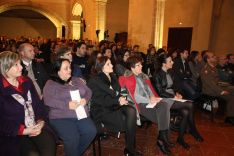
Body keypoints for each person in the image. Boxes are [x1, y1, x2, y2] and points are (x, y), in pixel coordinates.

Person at [0, 51, 56, 156]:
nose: (21, 67)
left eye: (20, 64)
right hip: (13, 134)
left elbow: (38, 105)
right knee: (32, 154)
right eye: (16, 65)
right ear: (5, 68)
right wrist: (23, 131)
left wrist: (40, 122)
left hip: (34, 125)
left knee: (49, 144)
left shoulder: (26, 81)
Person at [119, 56, 175, 154]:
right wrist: (149, 99)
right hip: (140, 105)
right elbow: (134, 96)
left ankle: (162, 138)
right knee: (164, 114)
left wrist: (153, 97)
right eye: (138, 65)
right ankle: (162, 138)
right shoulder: (128, 78)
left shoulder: (142, 76)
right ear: (132, 68)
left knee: (164, 106)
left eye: (141, 64)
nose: (141, 66)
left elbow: (150, 90)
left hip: (150, 102)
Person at [88, 56, 142, 156]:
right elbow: (100, 100)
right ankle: (130, 150)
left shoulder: (112, 76)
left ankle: (130, 148)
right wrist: (118, 100)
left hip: (114, 106)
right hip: (102, 111)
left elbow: (121, 90)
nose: (112, 65)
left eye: (111, 63)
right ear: (101, 67)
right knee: (129, 117)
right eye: (108, 64)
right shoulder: (95, 80)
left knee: (131, 110)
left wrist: (123, 97)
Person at [43, 58, 97, 156]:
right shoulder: (50, 83)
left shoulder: (76, 80)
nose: (70, 70)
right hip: (61, 117)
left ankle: (73, 153)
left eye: (70, 67)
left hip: (80, 114)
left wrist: (85, 99)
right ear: (57, 71)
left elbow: (89, 91)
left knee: (91, 131)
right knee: (72, 138)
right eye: (66, 68)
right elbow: (48, 100)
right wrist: (66, 105)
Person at [153, 54, 203, 149]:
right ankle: (193, 130)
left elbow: (175, 86)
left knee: (186, 112)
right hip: (164, 100)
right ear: (164, 64)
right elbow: (160, 92)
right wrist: (173, 96)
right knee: (190, 104)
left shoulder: (170, 72)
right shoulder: (157, 74)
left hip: (173, 97)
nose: (172, 62)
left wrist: (178, 93)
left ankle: (180, 138)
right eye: (170, 61)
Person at [201, 52, 234, 125]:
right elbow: (211, 84)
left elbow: (217, 82)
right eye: (213, 56)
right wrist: (221, 91)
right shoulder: (206, 70)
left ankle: (230, 117)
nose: (215, 57)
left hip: (216, 88)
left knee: (232, 90)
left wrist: (225, 85)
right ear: (208, 59)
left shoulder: (213, 68)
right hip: (210, 90)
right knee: (231, 96)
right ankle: (230, 117)